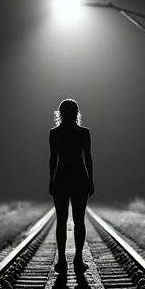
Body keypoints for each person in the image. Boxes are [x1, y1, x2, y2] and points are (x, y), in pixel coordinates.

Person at [49, 99, 94, 273]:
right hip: (79, 177)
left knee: (61, 220)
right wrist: (91, 180)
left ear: (60, 113)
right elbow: (88, 158)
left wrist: (51, 181)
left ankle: (61, 260)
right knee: (79, 220)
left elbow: (53, 159)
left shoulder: (55, 133)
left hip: (61, 177)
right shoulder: (84, 133)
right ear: (76, 113)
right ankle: (78, 260)